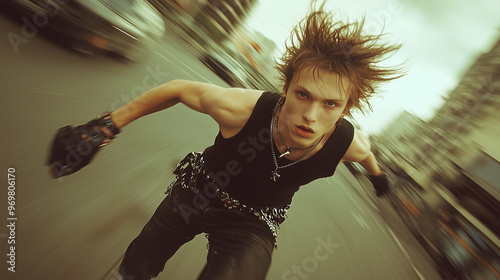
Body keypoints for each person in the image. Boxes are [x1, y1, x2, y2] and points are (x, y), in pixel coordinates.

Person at [47, 5, 404, 280]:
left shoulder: (345, 143)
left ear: (346, 109)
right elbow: (178, 89)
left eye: (330, 104)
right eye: (303, 94)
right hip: (197, 190)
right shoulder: (243, 109)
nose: (311, 115)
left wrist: (378, 178)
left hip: (255, 220)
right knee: (138, 263)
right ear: (286, 87)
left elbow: (368, 156)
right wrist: (103, 128)